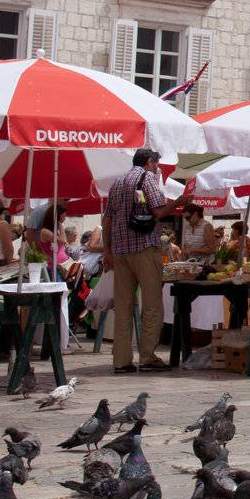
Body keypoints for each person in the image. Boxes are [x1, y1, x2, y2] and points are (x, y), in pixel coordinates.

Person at [101, 147, 189, 374]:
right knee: (152, 305)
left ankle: (121, 361)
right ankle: (148, 357)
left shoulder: (118, 182)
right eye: (157, 165)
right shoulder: (146, 177)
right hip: (143, 247)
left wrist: (107, 250)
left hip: (120, 251)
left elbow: (107, 218)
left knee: (123, 307)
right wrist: (181, 200)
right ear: (150, 162)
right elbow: (159, 212)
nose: (157, 169)